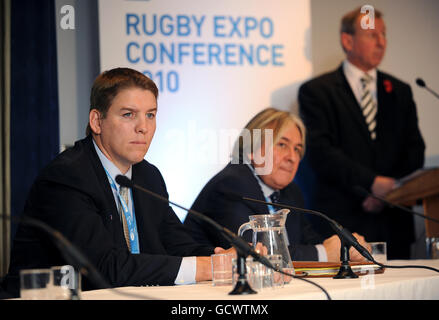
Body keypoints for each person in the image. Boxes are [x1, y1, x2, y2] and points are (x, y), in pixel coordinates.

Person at [2, 68, 226, 298]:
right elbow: (103, 268)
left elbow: (177, 244)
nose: (144, 127)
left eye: (150, 114)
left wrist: (221, 258)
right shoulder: (67, 176)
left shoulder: (148, 176)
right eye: (129, 114)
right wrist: (205, 268)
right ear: (97, 121)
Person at [297, 7, 425, 259]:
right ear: (348, 40)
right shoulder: (317, 91)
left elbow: (415, 151)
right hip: (343, 221)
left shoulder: (400, 90)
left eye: (384, 34)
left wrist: (389, 191)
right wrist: (370, 185)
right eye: (372, 35)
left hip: (393, 221)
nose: (381, 42)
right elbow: (322, 153)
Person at [184, 107, 369, 262]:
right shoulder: (232, 185)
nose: (292, 157)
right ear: (251, 149)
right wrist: (325, 253)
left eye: (297, 149)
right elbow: (257, 252)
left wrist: (345, 247)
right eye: (282, 145)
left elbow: (309, 240)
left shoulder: (291, 191)